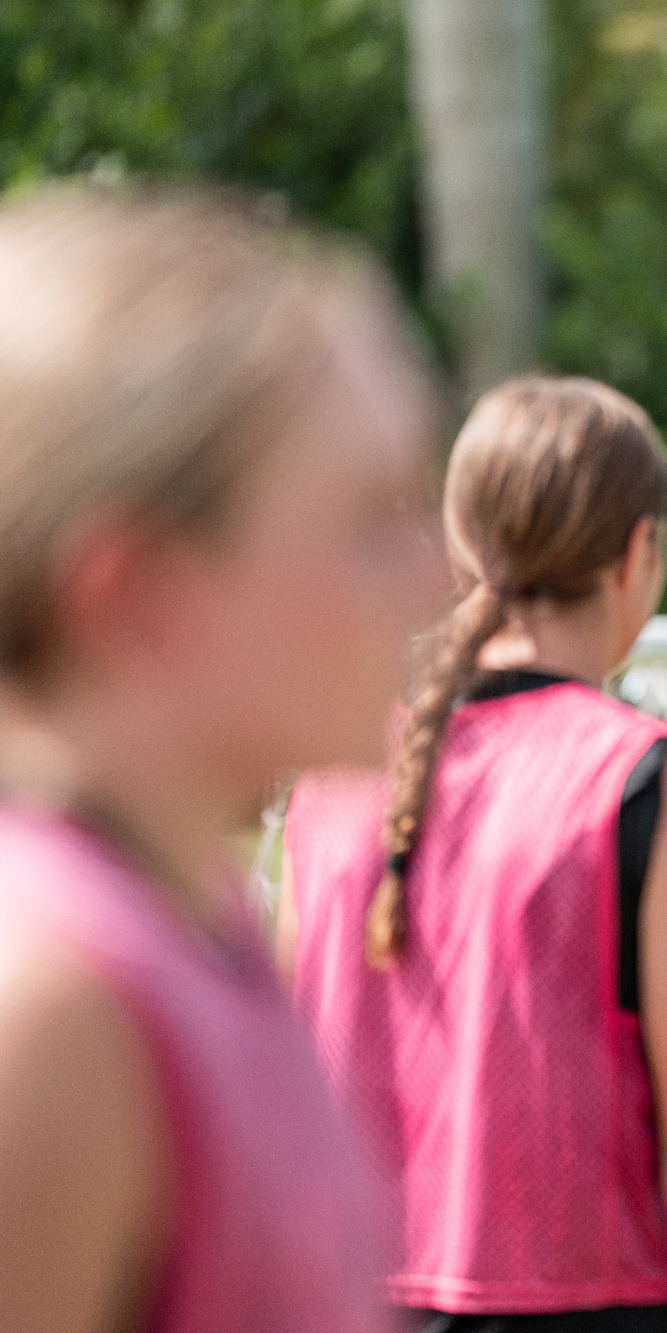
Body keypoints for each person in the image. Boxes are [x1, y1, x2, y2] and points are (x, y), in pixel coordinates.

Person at [0, 187, 441, 1332]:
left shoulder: (185, 904)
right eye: (370, 515)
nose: (437, 576)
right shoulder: (47, 1012)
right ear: (135, 593)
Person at [282, 376, 667, 1333]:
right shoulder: (648, 780)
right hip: (592, 1303)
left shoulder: (329, 775)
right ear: (641, 552)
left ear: (460, 545)